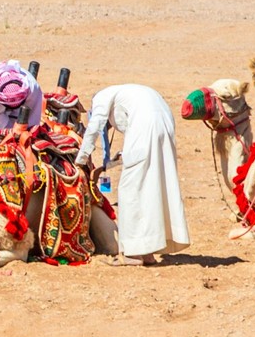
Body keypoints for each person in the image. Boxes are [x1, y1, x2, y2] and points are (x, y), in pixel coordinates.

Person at [77, 83, 190, 265]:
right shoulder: (128, 92)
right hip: (165, 124)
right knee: (153, 188)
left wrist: (80, 160)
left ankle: (132, 254)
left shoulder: (101, 98)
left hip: (147, 128)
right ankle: (148, 252)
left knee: (130, 190)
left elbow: (94, 126)